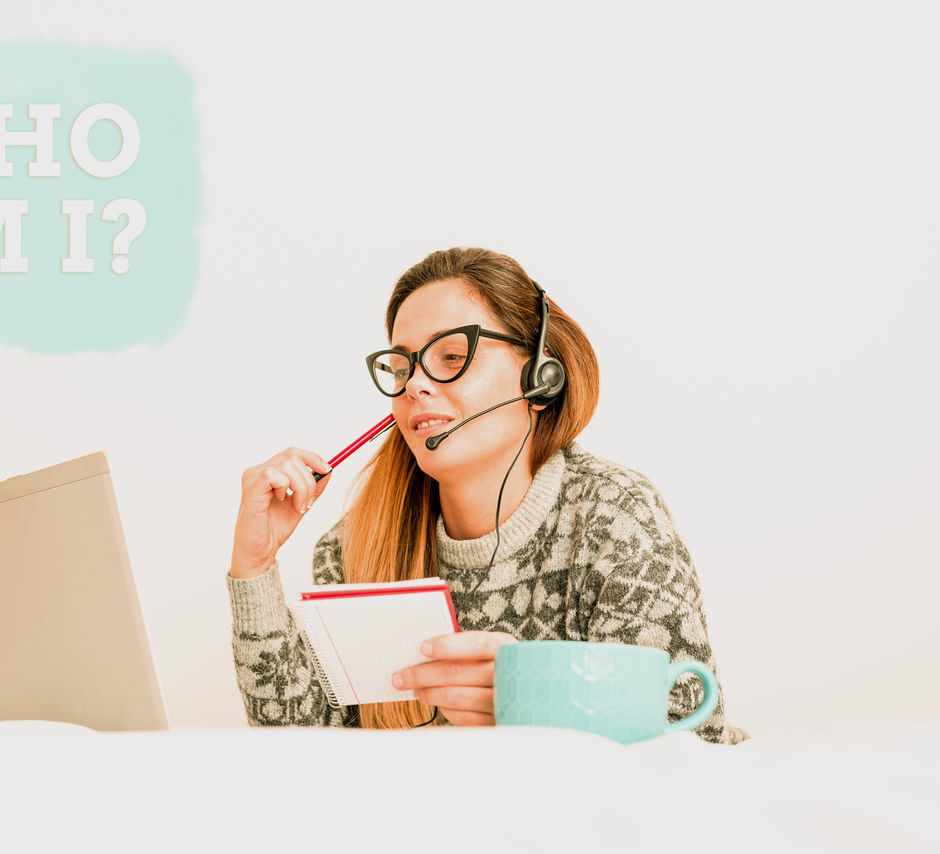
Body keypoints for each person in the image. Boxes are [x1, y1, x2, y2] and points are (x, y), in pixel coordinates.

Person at [227, 247, 749, 743]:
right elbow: (300, 754)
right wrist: (255, 565)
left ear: (540, 379)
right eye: (403, 368)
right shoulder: (352, 549)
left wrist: (535, 698)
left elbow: (691, 735)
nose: (415, 387)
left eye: (451, 355)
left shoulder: (613, 515)